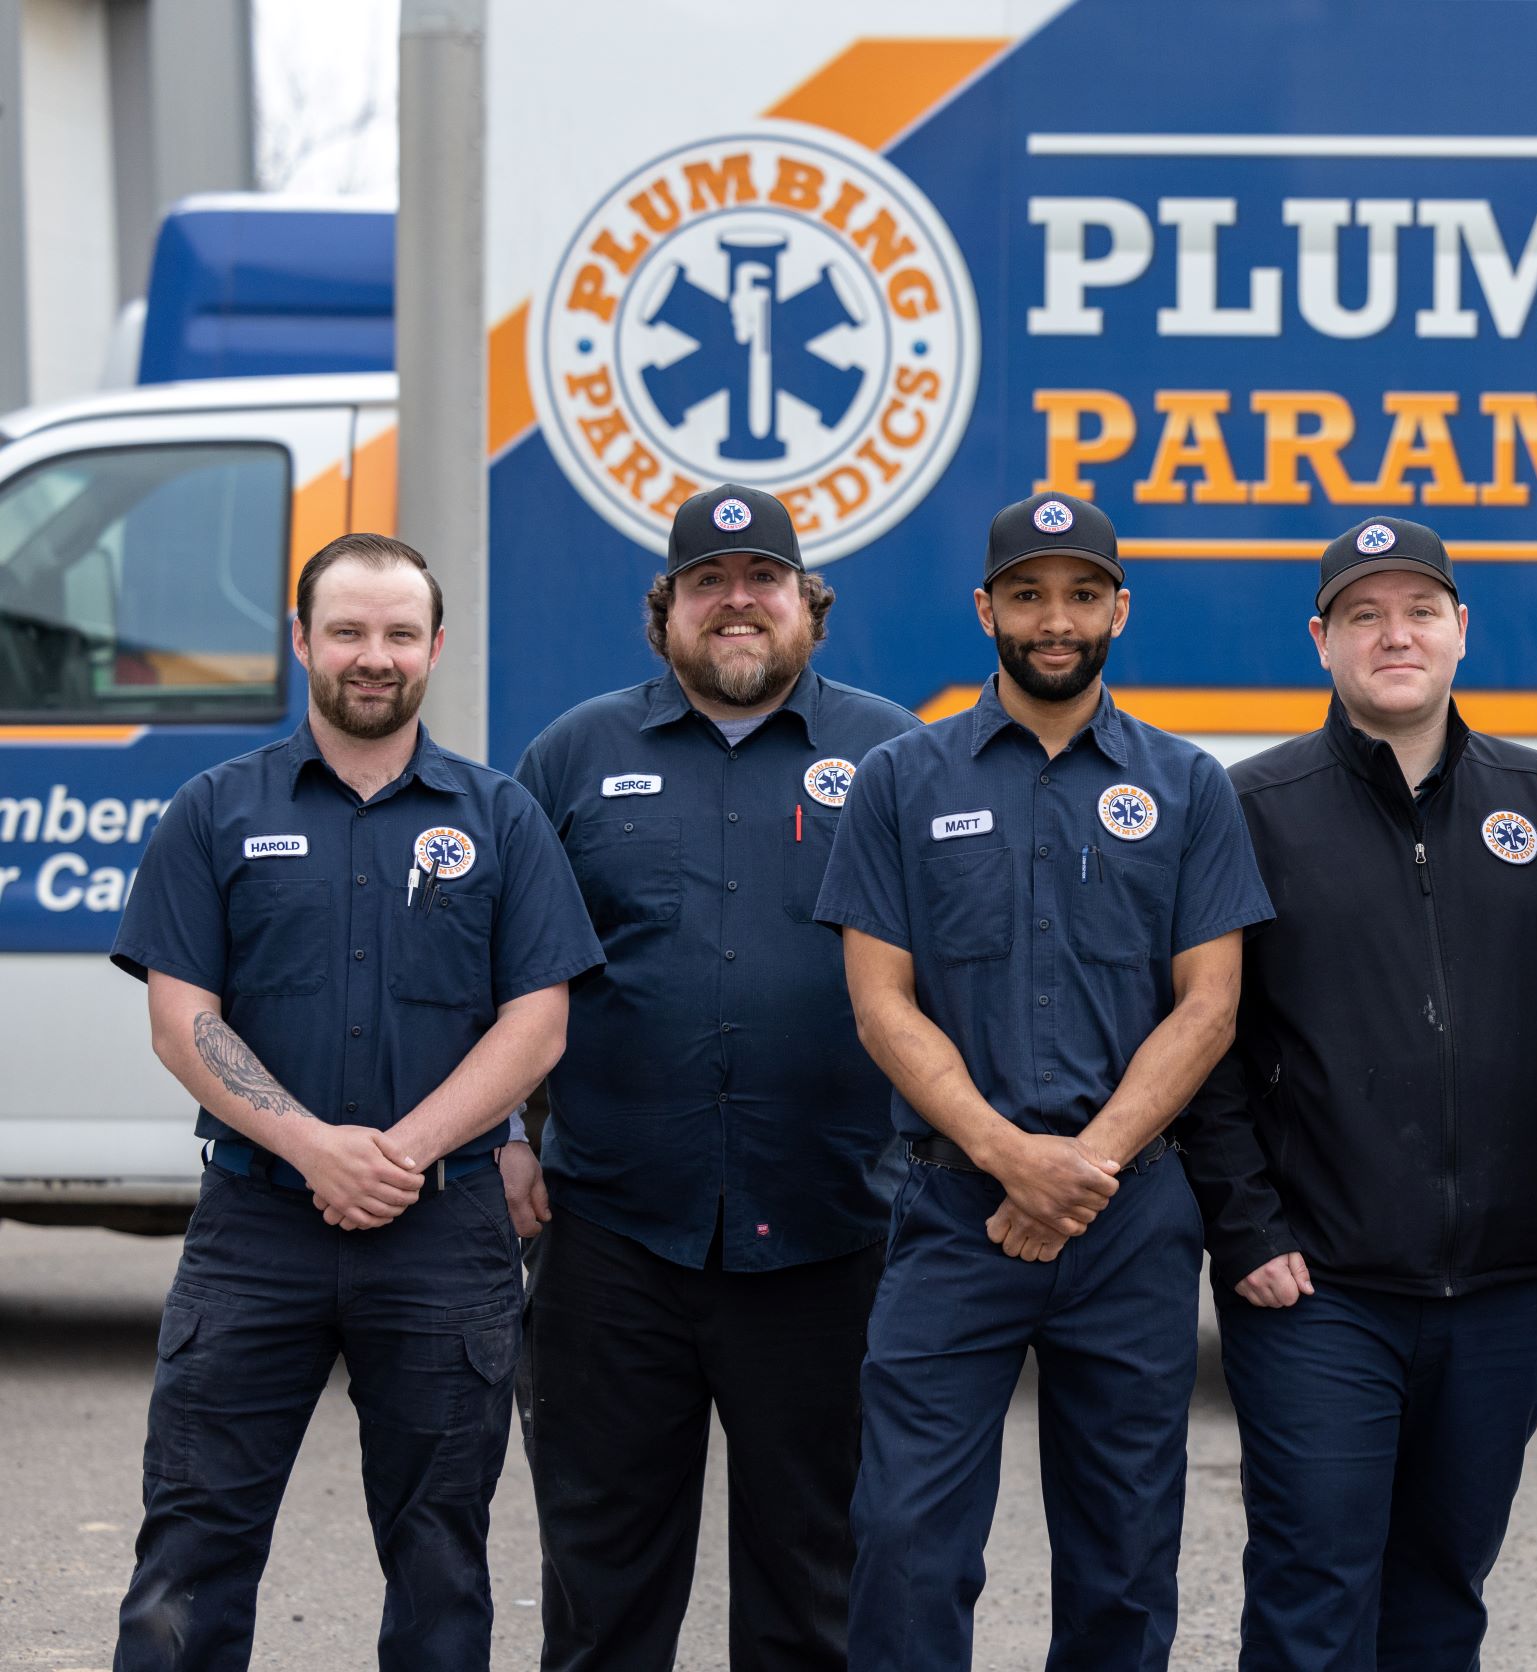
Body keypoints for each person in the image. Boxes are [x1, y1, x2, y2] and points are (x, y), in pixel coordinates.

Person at [105, 534, 602, 1671]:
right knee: (191, 1548)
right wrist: (310, 1147)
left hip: (446, 1233)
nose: (370, 657)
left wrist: (401, 1154)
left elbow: (539, 1023)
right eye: (345, 631)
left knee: (439, 1561)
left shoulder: (500, 818)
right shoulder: (214, 810)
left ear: (433, 647)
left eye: (394, 634)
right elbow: (183, 1017)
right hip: (253, 1232)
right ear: (300, 641)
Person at [814, 490, 1273, 1671]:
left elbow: (1208, 1005)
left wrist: (1084, 1166)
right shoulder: (900, 779)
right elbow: (880, 1003)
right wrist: (1009, 1156)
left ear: (1119, 607)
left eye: (1079, 594)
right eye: (1027, 594)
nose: (1053, 620)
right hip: (952, 1210)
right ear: (986, 609)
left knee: (1122, 1554)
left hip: (1129, 1218)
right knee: (908, 1539)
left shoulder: (1187, 784)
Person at [1183, 516, 1537, 1671]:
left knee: (1443, 1589)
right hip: (1317, 1289)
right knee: (1312, 1587)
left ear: (1459, 631)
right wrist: (1244, 1226)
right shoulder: (1251, 808)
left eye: (1418, 611)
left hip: (1504, 1286)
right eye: (1362, 616)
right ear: (1321, 641)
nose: (1395, 635)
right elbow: (1207, 1041)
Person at [506, 484, 919, 1671]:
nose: (737, 601)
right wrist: (500, 1138)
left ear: (808, 606)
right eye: (708, 582)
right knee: (601, 1587)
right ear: (666, 611)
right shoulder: (574, 755)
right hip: (613, 1237)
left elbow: (957, 968)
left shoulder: (895, 756)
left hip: (837, 1233)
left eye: (763, 580)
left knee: (816, 1585)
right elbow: (502, 969)